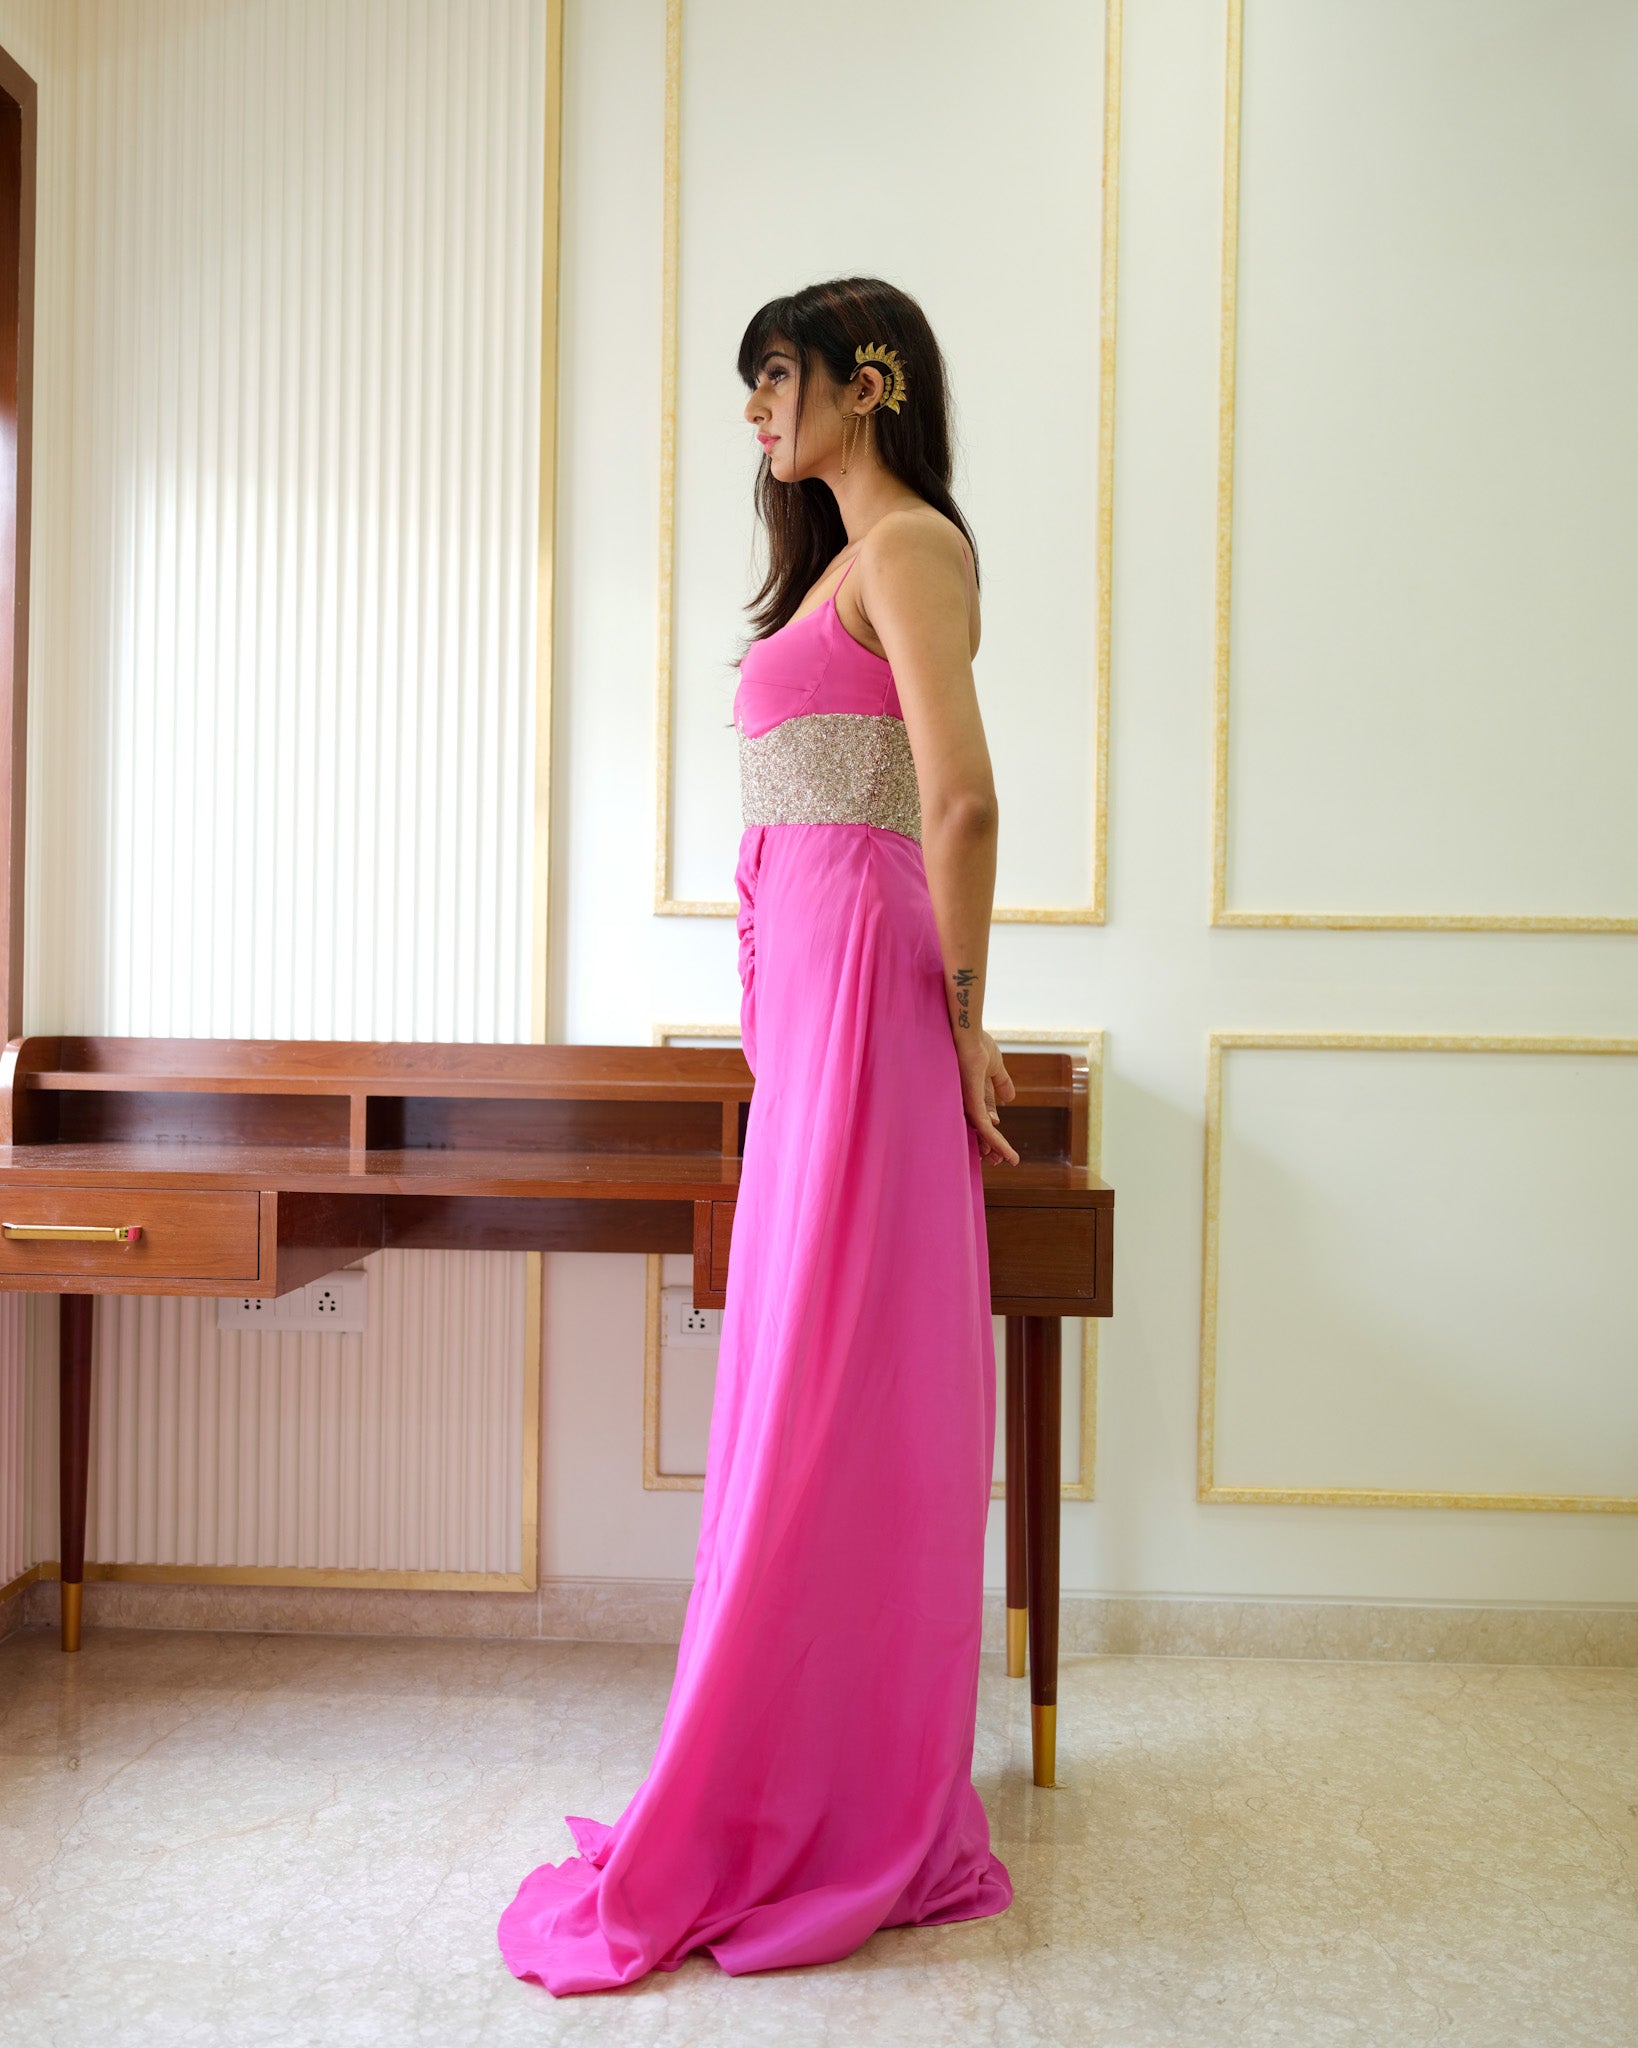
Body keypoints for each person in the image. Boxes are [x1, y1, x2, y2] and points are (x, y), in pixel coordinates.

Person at [497, 275, 1018, 1996]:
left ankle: (837, 1787)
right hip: (814, 998)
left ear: (865, 386)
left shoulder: (911, 551)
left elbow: (958, 797)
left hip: (868, 981)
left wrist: (959, 1012)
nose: (754, 411)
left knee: (828, 1373)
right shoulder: (833, 572)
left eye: (773, 379)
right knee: (800, 1363)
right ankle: (794, 1754)